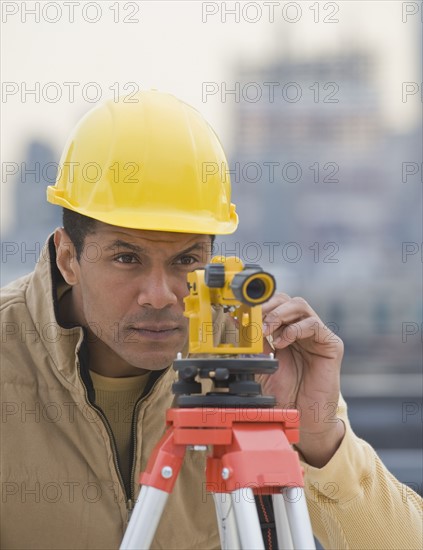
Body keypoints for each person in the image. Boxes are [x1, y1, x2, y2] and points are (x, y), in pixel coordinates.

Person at [1, 90, 421, 550]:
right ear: (68, 256)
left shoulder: (251, 349)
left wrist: (319, 436)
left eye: (186, 260)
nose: (160, 296)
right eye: (127, 258)